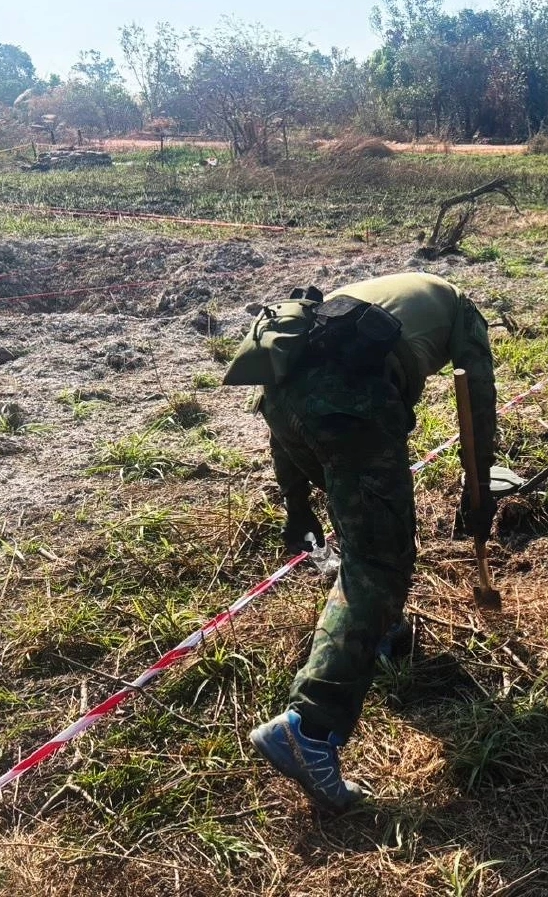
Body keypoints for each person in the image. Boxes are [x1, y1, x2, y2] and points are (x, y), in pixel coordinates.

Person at [221, 271, 497, 810]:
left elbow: (294, 390)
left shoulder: (379, 293)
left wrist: (297, 506)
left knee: (363, 530)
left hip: (284, 399)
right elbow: (478, 397)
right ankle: (310, 727)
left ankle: (382, 629)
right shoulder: (463, 311)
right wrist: (480, 483)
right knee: (379, 559)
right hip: (352, 406)